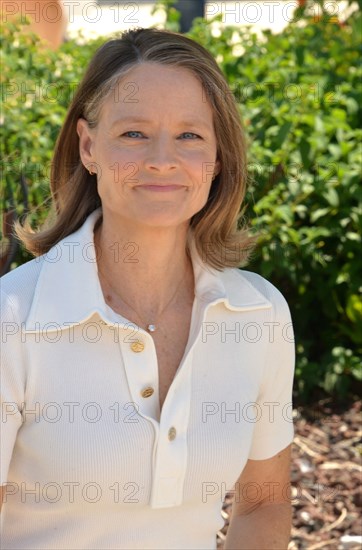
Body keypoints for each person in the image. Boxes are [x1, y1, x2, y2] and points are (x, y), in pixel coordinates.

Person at [0, 27, 295, 550]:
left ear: (218, 158)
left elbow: (264, 500)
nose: (163, 159)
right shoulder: (14, 319)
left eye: (189, 136)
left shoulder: (259, 315)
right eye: (134, 134)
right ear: (89, 147)